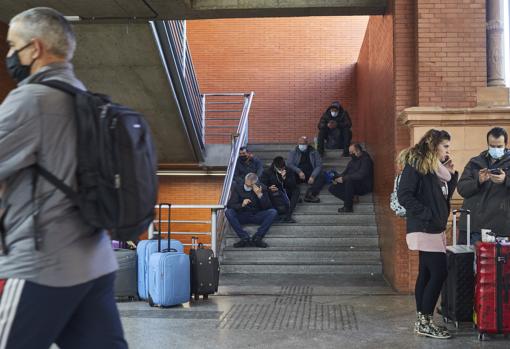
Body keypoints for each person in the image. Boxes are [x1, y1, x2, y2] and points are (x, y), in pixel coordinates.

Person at [0, 8, 126, 348]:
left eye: (13, 46)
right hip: (94, 262)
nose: (11, 55)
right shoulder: (85, 97)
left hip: (42, 265)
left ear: (35, 49)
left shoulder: (31, 101)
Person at [397, 129, 458, 340]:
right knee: (439, 272)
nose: (448, 150)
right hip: (424, 227)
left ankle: (422, 321)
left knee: (427, 273)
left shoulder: (436, 170)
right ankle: (426, 321)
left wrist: (451, 177)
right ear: (434, 146)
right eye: (445, 146)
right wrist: (427, 214)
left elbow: (443, 198)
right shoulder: (416, 165)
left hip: (433, 228)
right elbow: (404, 194)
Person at [457, 127, 510, 244]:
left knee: (496, 261)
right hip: (472, 226)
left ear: (505, 144)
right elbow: (461, 188)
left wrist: (505, 180)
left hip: (500, 227)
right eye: (492, 146)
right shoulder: (475, 162)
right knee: (466, 261)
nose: (496, 149)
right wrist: (478, 181)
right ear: (488, 144)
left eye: (499, 146)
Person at [225, 173, 277, 248]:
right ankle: (244, 238)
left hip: (256, 215)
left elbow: (268, 207)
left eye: (249, 186)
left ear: (255, 184)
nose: (246, 186)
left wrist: (259, 195)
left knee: (273, 212)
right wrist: (241, 205)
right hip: (242, 215)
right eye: (246, 184)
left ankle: (257, 237)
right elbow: (230, 205)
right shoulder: (238, 188)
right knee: (228, 212)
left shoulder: (262, 188)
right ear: (245, 180)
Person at [328, 144, 374, 213]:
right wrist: (337, 178)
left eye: (352, 152)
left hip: (363, 185)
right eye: (349, 152)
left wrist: (344, 179)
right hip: (351, 185)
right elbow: (344, 173)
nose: (350, 154)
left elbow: (361, 175)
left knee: (349, 180)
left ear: (358, 151)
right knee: (332, 188)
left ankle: (348, 207)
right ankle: (351, 198)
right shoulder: (352, 161)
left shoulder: (366, 160)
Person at [260, 156, 299, 223]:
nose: (281, 170)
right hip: (274, 192)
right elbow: (262, 184)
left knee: (296, 190)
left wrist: (285, 178)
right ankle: (281, 214)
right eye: (279, 169)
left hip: (286, 190)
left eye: (282, 168)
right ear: (275, 166)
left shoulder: (289, 170)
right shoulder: (267, 172)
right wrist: (268, 188)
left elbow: (293, 184)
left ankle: (288, 215)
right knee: (272, 194)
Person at [287, 136, 325, 203]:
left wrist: (313, 176)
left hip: (310, 174)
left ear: (307, 144)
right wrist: (299, 171)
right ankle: (294, 195)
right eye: (300, 143)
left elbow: (319, 165)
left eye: (303, 144)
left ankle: (310, 195)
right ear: (298, 143)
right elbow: (290, 164)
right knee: (289, 174)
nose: (302, 145)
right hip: (298, 174)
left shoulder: (314, 152)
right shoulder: (293, 151)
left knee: (321, 176)